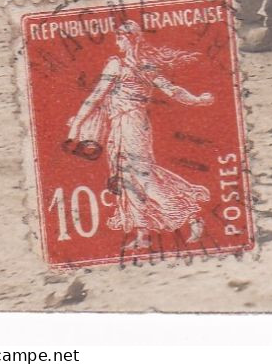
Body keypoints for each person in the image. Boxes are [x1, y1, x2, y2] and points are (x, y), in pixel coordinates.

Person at [66, 20, 214, 252]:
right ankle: (142, 233)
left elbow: (95, 97)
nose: (116, 42)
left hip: (131, 124)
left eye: (120, 38)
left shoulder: (120, 65)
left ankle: (191, 215)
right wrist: (196, 99)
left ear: (129, 39)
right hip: (123, 125)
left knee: (142, 177)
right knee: (126, 178)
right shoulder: (144, 65)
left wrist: (76, 126)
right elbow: (173, 91)